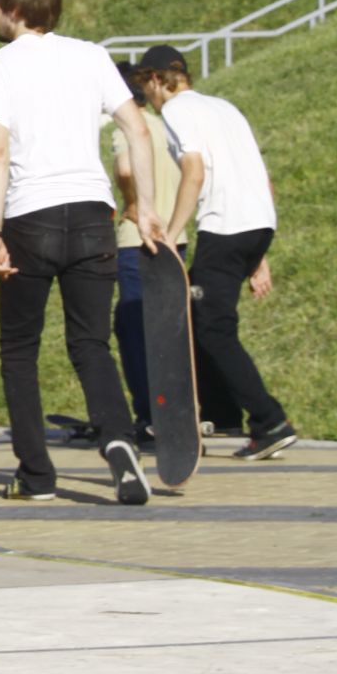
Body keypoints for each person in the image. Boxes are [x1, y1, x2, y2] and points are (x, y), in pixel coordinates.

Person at [0, 0, 163, 506]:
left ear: (11, 10)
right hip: (91, 217)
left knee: (19, 351)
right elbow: (137, 127)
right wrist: (146, 207)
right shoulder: (91, 56)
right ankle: (120, 442)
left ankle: (36, 477)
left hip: (29, 217)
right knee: (90, 344)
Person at [134, 45, 295, 462]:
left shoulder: (177, 112)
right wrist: (258, 255)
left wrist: (171, 234)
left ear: (155, 79)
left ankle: (268, 420)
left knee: (211, 327)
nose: (148, 98)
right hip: (258, 223)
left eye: (145, 87)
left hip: (225, 228)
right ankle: (223, 413)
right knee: (204, 318)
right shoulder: (225, 107)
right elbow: (259, 176)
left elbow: (195, 171)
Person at [112, 66, 187, 436]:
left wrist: (133, 205)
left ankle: (149, 414)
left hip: (137, 242)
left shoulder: (129, 126)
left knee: (133, 327)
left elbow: (126, 170)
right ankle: (180, 407)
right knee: (170, 329)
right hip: (177, 238)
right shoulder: (164, 125)